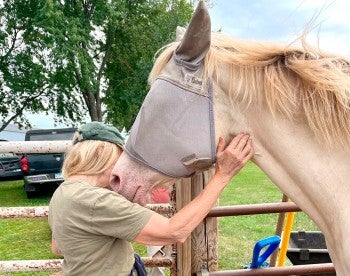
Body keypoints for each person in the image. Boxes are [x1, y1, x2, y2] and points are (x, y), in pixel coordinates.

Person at [49, 121, 254, 276]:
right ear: (101, 152)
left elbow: (57, 247)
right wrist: (222, 175)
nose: (123, 168)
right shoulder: (95, 200)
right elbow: (174, 231)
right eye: (121, 157)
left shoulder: (62, 194)